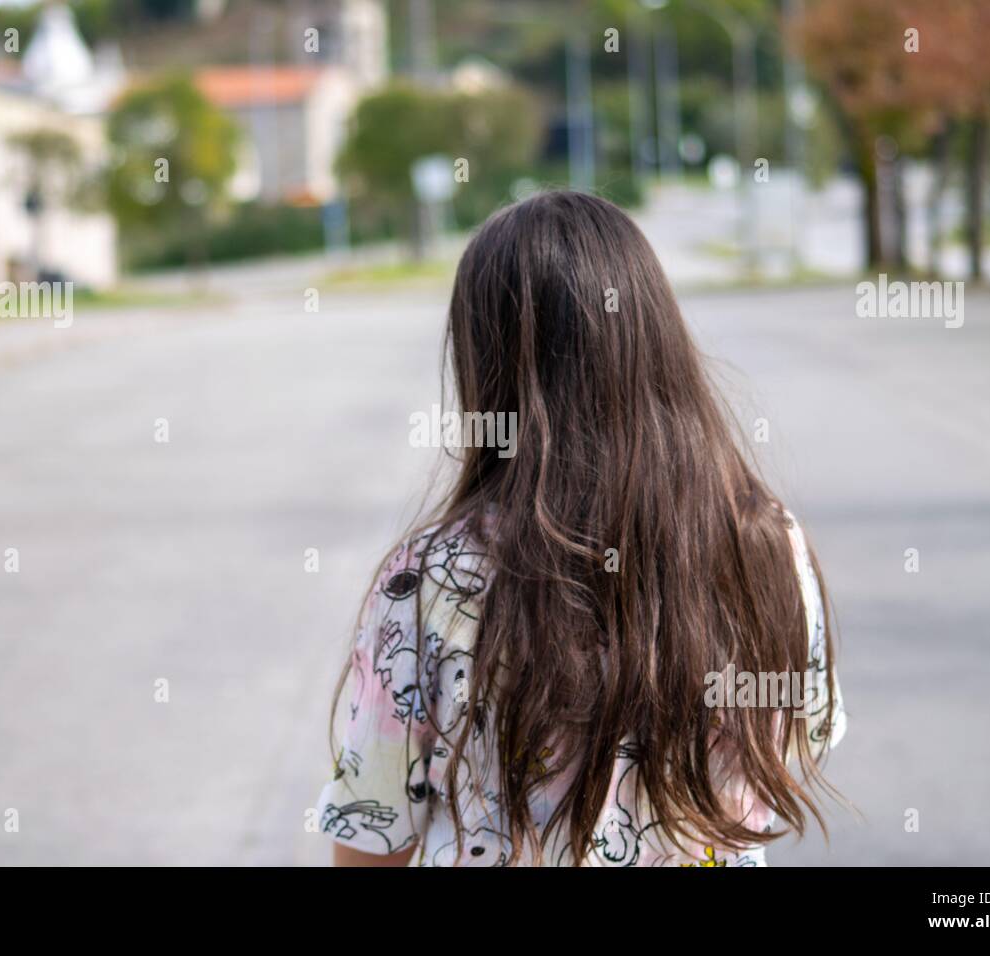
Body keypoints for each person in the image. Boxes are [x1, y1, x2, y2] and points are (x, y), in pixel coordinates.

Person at [317, 190, 845, 867]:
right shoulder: (767, 545)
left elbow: (373, 832)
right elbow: (799, 736)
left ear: (484, 364)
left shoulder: (430, 576)